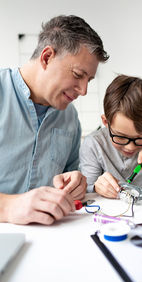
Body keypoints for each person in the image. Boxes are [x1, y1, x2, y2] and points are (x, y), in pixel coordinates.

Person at [0, 15, 109, 224]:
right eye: (78, 74)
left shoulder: (69, 117)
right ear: (47, 57)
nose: (84, 90)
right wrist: (9, 207)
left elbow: (70, 173)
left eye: (89, 80)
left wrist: (75, 183)